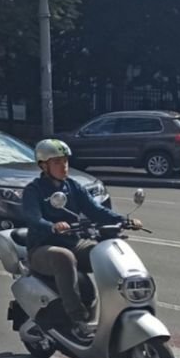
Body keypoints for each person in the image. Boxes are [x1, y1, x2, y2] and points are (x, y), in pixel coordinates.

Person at [21, 138, 139, 342]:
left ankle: (121, 309)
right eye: (57, 162)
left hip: (74, 241)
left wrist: (124, 220)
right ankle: (77, 320)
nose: (63, 166)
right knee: (64, 258)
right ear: (44, 165)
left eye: (65, 161)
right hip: (43, 247)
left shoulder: (73, 186)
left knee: (105, 252)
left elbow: (95, 210)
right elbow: (32, 217)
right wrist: (52, 226)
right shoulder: (34, 190)